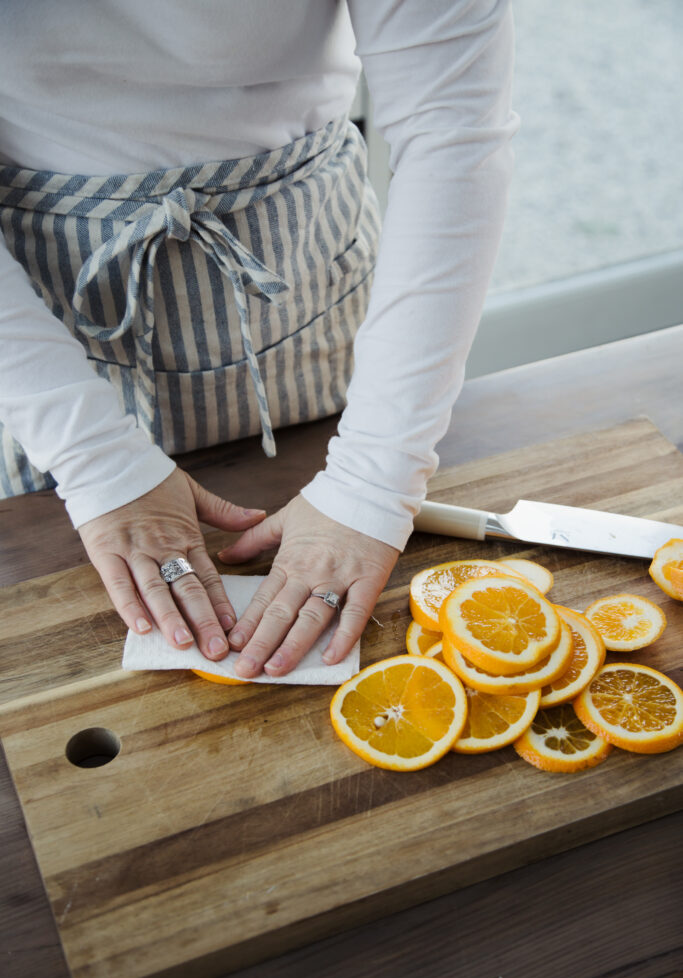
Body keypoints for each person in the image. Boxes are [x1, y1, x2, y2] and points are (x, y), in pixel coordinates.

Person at [0, 0, 517, 679]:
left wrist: (372, 482)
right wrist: (94, 459)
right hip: (34, 335)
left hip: (303, 274)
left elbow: (455, 130)